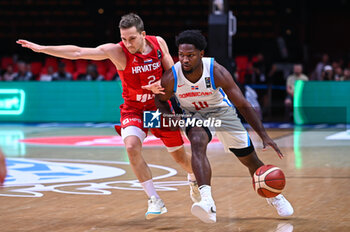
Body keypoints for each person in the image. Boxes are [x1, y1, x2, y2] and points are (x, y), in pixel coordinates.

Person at [17, 13, 199, 219]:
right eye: (123, 38)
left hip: (159, 108)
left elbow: (172, 73)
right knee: (131, 146)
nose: (127, 43)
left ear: (143, 34)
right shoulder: (116, 51)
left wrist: (163, 87)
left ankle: (193, 177)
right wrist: (42, 49)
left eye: (132, 38)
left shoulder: (158, 43)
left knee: (181, 158)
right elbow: (77, 52)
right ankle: (154, 199)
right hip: (134, 109)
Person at [154, 30, 294, 223]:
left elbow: (243, 104)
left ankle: (273, 194)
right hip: (194, 115)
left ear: (201, 54)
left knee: (249, 159)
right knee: (197, 140)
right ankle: (207, 201)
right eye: (181, 55)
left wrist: (264, 135)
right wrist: (170, 116)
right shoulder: (172, 76)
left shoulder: (216, 71)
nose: (185, 60)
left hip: (222, 112)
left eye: (190, 55)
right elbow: (159, 99)